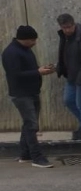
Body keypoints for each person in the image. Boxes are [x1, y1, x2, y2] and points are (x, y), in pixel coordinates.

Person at [1, 25, 55, 168]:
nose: (34, 43)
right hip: (21, 94)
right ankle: (37, 158)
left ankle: (25, 154)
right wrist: (38, 72)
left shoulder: (25, 50)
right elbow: (15, 75)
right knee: (32, 125)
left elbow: (30, 69)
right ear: (23, 39)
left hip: (32, 92)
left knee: (28, 124)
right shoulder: (11, 53)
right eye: (32, 40)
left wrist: (42, 70)